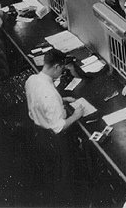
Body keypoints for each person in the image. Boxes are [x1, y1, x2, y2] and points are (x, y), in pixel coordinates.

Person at [25, 50, 85, 205]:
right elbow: (59, 127)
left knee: (49, 169)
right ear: (57, 67)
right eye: (62, 69)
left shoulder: (32, 80)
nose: (62, 72)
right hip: (53, 139)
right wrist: (75, 116)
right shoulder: (50, 94)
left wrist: (61, 99)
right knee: (62, 173)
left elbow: (40, 101)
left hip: (37, 131)